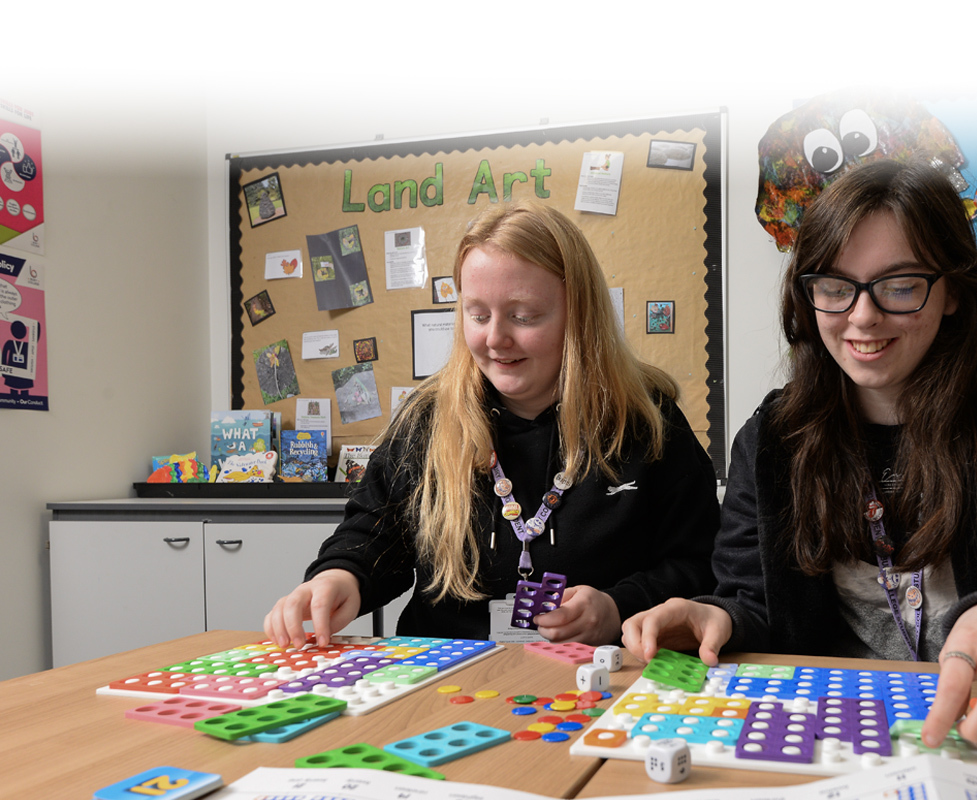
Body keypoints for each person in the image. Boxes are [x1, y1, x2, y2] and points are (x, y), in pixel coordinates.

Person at [622, 160, 977, 755]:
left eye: (900, 285)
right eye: (835, 286)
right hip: (833, 744)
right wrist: (717, 616)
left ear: (954, 289)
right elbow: (758, 602)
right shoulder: (774, 439)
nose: (862, 316)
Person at [266, 202, 719, 650]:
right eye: (477, 315)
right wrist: (340, 575)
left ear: (579, 315)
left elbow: (698, 562)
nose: (494, 339)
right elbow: (374, 532)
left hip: (595, 678)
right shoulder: (428, 419)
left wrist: (618, 607)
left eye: (524, 317)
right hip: (445, 673)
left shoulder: (647, 419)